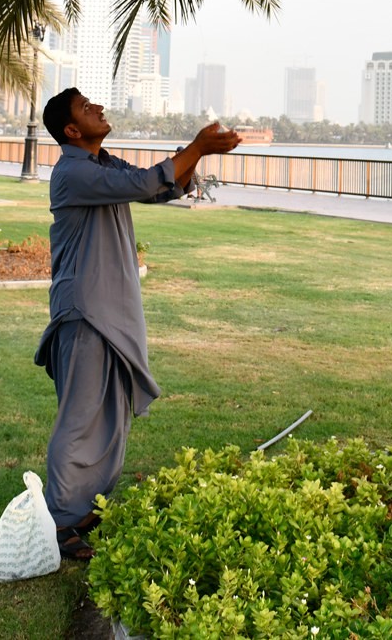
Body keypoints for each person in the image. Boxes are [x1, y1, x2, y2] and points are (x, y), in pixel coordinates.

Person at [35, 87, 240, 561]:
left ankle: (86, 509)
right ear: (71, 130)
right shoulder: (73, 172)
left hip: (112, 310)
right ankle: (60, 521)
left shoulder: (103, 164)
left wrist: (198, 153)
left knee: (112, 414)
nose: (99, 109)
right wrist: (198, 146)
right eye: (87, 108)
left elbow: (159, 185)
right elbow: (150, 182)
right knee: (80, 420)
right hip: (85, 312)